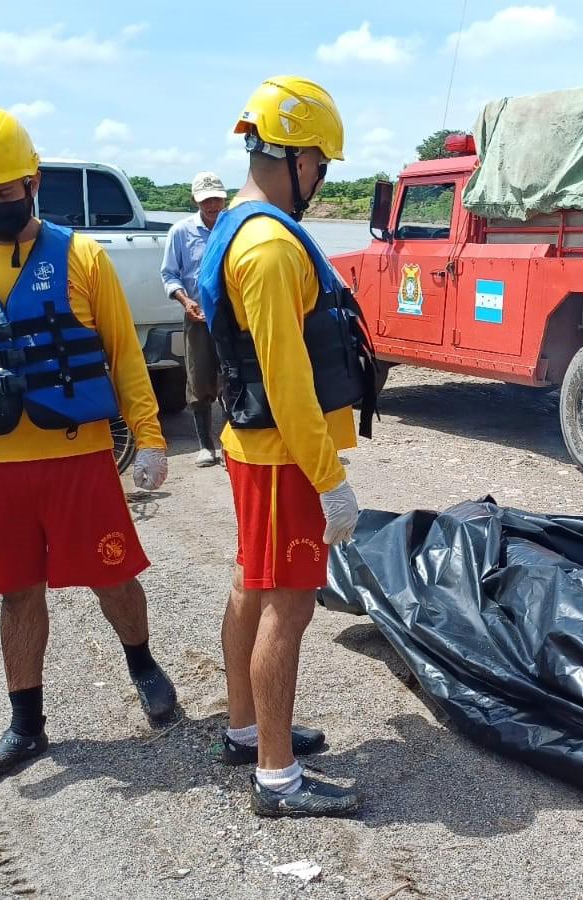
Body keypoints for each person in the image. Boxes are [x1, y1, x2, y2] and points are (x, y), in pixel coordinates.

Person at [199, 76, 376, 818]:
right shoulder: (270, 247)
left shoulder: (236, 227)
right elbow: (289, 382)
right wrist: (331, 479)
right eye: (322, 165)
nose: (322, 178)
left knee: (252, 585)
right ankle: (278, 778)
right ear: (297, 157)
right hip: (283, 457)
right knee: (289, 607)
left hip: (256, 447)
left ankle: (247, 728)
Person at [0, 107, 176, 778]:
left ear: (33, 183)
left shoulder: (83, 255)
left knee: (112, 574)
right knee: (17, 593)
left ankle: (143, 663)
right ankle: (26, 724)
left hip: (77, 455)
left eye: (4, 195)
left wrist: (151, 439)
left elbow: (125, 357)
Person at [161, 172, 228, 466]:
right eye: (206, 200)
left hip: (230, 317)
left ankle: (232, 444)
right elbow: (169, 274)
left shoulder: (233, 227)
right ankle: (206, 445)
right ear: (195, 201)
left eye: (217, 198)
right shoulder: (181, 231)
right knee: (199, 380)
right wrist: (185, 300)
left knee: (234, 377)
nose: (213, 205)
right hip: (197, 316)